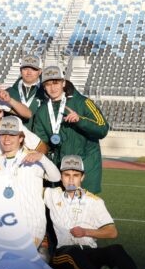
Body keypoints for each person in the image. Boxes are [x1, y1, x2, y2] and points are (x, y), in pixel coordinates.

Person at [45, 155, 145, 269]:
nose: (71, 179)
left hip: (89, 251)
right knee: (73, 253)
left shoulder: (95, 201)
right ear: (60, 177)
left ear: (83, 177)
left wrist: (85, 232)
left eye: (76, 175)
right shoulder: (51, 195)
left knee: (116, 249)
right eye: (67, 175)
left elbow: (112, 232)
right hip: (63, 254)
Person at [0, 116, 61, 258]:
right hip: (4, 224)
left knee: (12, 258)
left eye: (12, 135)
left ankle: (41, 247)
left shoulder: (34, 158)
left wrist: (42, 158)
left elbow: (56, 177)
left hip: (31, 223)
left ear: (21, 138)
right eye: (3, 135)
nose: (7, 139)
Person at [32, 65, 109, 193]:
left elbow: (103, 129)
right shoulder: (42, 112)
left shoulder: (83, 103)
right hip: (60, 169)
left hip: (86, 168)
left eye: (56, 83)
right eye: (48, 84)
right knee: (59, 209)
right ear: (44, 87)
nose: (53, 87)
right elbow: (41, 143)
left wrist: (80, 120)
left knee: (84, 209)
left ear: (63, 83)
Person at [5, 54, 45, 126]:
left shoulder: (46, 92)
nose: (29, 72)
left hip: (38, 136)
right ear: (20, 70)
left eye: (33, 69)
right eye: (25, 69)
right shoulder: (9, 92)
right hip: (15, 135)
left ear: (40, 71)